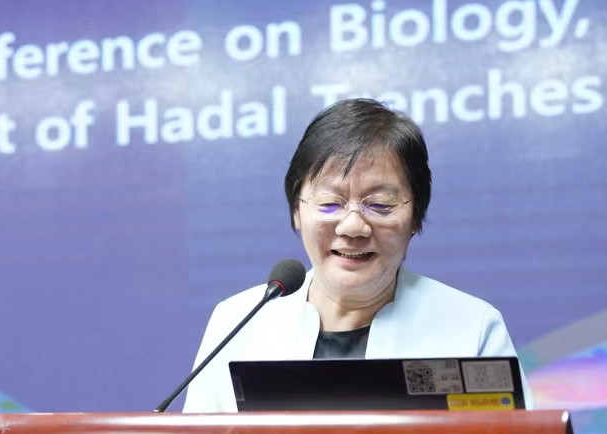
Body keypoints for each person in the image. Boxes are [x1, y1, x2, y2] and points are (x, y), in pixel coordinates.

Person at [181, 98, 518, 413]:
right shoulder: (238, 322)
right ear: (297, 211)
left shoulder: (472, 327)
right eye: (330, 203)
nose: (353, 226)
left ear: (415, 217)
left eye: (380, 205)